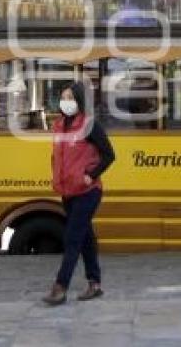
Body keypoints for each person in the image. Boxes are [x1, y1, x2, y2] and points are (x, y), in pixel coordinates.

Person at [43, 81, 115, 306]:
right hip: (68, 191)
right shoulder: (59, 125)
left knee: (72, 237)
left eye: (70, 98)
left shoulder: (90, 125)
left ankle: (60, 287)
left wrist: (91, 175)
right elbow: (58, 156)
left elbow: (109, 155)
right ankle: (95, 283)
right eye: (63, 97)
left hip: (88, 191)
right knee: (85, 237)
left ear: (80, 101)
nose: (66, 102)